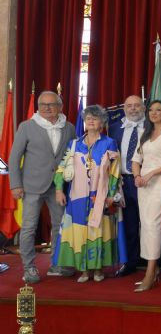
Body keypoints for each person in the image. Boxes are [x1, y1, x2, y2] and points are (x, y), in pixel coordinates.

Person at [53, 105, 126, 282]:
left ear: (102, 122)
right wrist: (58, 189)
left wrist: (111, 194)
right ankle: (84, 271)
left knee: (99, 230)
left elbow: (115, 170)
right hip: (77, 197)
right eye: (88, 118)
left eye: (95, 117)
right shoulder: (74, 144)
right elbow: (61, 168)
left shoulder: (109, 143)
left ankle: (98, 269)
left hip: (100, 196)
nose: (91, 120)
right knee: (79, 231)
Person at [9, 91, 76, 284]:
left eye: (51, 104)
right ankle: (29, 268)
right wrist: (15, 185)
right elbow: (14, 158)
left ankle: (56, 263)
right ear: (38, 106)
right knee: (29, 228)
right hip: (31, 186)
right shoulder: (27, 126)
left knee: (60, 226)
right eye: (43, 104)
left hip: (59, 187)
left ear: (60, 106)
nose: (47, 108)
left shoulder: (69, 127)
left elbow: (71, 156)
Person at [131, 100, 161, 292]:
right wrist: (137, 176)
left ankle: (150, 273)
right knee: (145, 224)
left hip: (160, 182)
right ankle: (155, 267)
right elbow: (136, 159)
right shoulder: (144, 133)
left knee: (153, 224)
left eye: (158, 110)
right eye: (151, 110)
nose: (154, 113)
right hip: (143, 184)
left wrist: (150, 173)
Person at [110, 95, 145, 277]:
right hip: (124, 182)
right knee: (130, 224)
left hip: (147, 181)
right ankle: (131, 261)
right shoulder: (115, 128)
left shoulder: (153, 127)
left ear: (143, 108)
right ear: (124, 109)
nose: (133, 109)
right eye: (129, 106)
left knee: (149, 223)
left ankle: (153, 260)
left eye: (137, 105)